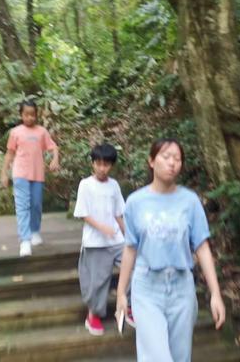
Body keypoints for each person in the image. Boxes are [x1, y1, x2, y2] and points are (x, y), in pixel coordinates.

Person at [116, 138, 226, 362]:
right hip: (147, 288)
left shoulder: (190, 201)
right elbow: (130, 249)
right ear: (151, 161)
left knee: (180, 357)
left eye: (177, 158)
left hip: (182, 288)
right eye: (166, 157)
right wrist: (120, 292)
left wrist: (215, 293)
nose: (172, 163)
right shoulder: (136, 202)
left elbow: (202, 247)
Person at [74, 143, 134, 336]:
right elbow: (83, 214)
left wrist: (128, 235)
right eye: (98, 163)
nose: (102, 168)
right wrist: (103, 228)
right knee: (98, 281)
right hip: (95, 242)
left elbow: (118, 213)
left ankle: (129, 306)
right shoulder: (85, 185)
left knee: (134, 268)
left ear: (112, 165)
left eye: (106, 164)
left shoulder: (114, 185)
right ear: (92, 163)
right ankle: (93, 315)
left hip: (116, 241)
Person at [1, 100, 60, 257]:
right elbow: (9, 153)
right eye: (26, 114)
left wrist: (55, 159)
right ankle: (25, 240)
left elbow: (53, 146)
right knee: (22, 206)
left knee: (36, 204)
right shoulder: (15, 132)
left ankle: (34, 231)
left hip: (37, 174)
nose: (30, 118)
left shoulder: (41, 132)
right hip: (20, 174)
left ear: (36, 115)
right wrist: (4, 173)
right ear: (21, 115)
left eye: (32, 114)